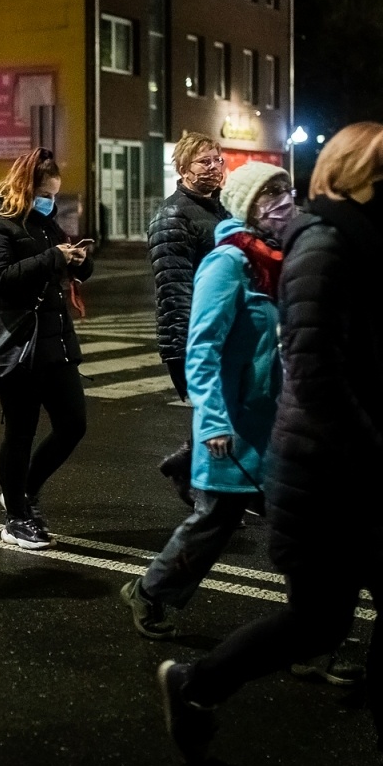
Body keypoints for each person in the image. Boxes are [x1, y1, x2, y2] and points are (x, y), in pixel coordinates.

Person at [157, 123, 383, 766]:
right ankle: (195, 683)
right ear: (347, 172)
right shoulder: (324, 248)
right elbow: (317, 378)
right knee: (318, 621)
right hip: (335, 478)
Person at [121, 163, 292, 639]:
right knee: (215, 520)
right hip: (236, 426)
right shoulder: (228, 262)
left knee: (305, 533)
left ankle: (314, 637)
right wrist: (212, 420)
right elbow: (203, 349)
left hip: (281, 424)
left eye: (285, 189)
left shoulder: (281, 260)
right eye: (270, 193)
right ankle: (149, 592)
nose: (283, 201)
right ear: (245, 205)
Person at [0, 147, 93, 550]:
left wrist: (77, 260)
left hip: (55, 341)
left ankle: (23, 490)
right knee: (20, 433)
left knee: (73, 423)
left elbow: (64, 263)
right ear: (25, 187)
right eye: (45, 194)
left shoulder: (46, 222)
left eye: (55, 195)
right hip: (18, 342)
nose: (51, 202)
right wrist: (50, 259)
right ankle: (16, 519)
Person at [148, 134, 230, 505]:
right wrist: (187, 348)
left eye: (217, 160)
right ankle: (206, 494)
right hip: (196, 336)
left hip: (224, 332)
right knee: (215, 413)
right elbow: (174, 289)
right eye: (204, 162)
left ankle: (187, 465)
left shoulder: (219, 210)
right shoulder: (173, 216)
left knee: (229, 410)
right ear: (182, 169)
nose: (214, 168)